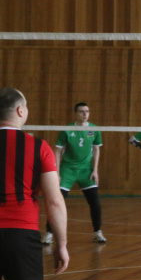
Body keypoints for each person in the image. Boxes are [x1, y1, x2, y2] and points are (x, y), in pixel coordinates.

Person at [0, 87, 69, 280]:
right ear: (20, 110)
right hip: (22, 236)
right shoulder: (39, 147)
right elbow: (54, 202)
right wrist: (61, 243)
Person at [42, 102, 105, 245]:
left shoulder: (95, 129)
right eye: (82, 111)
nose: (85, 114)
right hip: (67, 169)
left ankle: (97, 232)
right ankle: (49, 234)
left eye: (87, 111)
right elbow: (57, 151)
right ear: (76, 113)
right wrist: (56, 172)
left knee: (95, 202)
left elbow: (96, 150)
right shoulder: (67, 130)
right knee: (56, 201)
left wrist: (95, 170)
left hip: (85, 170)